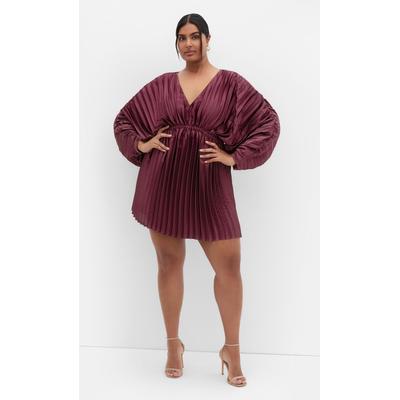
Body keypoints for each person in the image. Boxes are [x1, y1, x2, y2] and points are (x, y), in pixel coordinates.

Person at [113, 13, 280, 387]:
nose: (188, 43)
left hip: (209, 185)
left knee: (230, 266)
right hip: (163, 183)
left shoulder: (231, 84)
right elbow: (124, 120)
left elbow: (268, 122)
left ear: (207, 39)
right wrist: (143, 144)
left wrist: (234, 156)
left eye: (194, 36)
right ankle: (173, 345)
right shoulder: (162, 85)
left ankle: (232, 350)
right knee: (169, 263)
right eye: (181, 38)